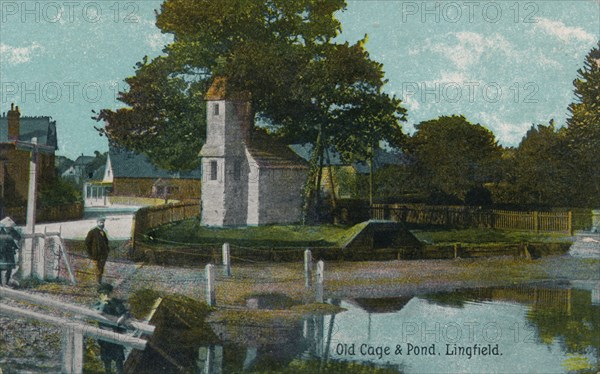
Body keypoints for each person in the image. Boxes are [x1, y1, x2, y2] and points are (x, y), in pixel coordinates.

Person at [94, 283, 129, 374]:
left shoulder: (116, 303)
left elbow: (125, 313)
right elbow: (98, 312)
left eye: (106, 293)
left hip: (116, 335)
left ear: (110, 293)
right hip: (104, 337)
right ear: (99, 295)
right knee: (107, 362)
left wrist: (123, 317)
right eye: (102, 293)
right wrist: (103, 303)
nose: (105, 295)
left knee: (119, 360)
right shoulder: (98, 304)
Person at [86, 217, 110, 284]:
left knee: (101, 269)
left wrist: (107, 250)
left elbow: (106, 243)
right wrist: (90, 253)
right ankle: (97, 282)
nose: (102, 224)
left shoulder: (104, 233)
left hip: (103, 255)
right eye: (100, 222)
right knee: (97, 269)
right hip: (96, 255)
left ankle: (99, 281)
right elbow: (87, 243)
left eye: (103, 222)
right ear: (97, 223)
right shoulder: (92, 232)